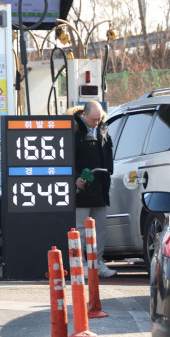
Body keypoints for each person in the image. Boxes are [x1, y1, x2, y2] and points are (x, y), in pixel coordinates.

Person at [73, 101, 116, 278]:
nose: (96, 122)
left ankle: (98, 262)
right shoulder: (74, 130)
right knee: (80, 229)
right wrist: (75, 177)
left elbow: (107, 155)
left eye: (99, 119)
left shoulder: (103, 129)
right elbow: (67, 157)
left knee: (100, 229)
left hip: (101, 185)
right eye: (93, 119)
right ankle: (81, 263)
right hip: (83, 187)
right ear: (84, 115)